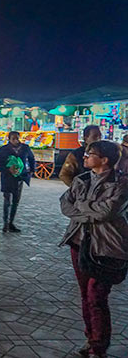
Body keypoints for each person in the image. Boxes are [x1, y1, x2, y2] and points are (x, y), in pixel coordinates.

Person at [59, 140, 128, 358]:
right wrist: (90, 210)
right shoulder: (81, 180)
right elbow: (65, 206)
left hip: (107, 247)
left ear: (104, 160)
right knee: (84, 294)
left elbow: (106, 212)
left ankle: (99, 346)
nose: (84, 157)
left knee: (96, 295)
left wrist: (82, 208)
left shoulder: (121, 184)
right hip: (79, 242)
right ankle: (91, 340)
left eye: (90, 154)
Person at [0, 131, 36, 233]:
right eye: (13, 139)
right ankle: (5, 223)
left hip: (20, 177)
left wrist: (32, 170)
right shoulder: (3, 149)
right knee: (7, 200)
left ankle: (11, 223)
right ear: (9, 139)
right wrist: (8, 169)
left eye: (17, 138)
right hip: (7, 178)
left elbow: (31, 158)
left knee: (16, 201)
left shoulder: (25, 148)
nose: (16, 141)